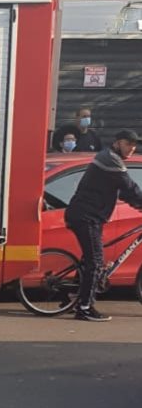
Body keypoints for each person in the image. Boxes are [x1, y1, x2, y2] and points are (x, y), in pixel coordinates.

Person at [63, 128, 142, 322]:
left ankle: (75, 297)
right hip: (86, 216)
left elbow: (123, 193)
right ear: (117, 143)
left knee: (91, 258)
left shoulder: (110, 159)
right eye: (128, 144)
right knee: (96, 262)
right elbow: (129, 187)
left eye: (134, 145)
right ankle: (85, 307)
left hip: (89, 215)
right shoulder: (110, 160)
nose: (132, 148)